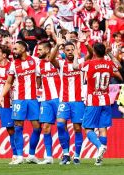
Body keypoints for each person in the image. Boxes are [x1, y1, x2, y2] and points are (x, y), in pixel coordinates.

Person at [73, 42, 122, 166]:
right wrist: (110, 53)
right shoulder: (109, 64)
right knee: (102, 128)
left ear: (94, 52)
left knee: (88, 128)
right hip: (106, 100)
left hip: (93, 100)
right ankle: (100, 159)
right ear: (104, 52)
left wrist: (75, 55)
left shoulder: (89, 64)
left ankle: (100, 146)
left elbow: (74, 66)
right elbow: (119, 66)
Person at [49, 35, 93, 164]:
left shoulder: (81, 63)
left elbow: (91, 53)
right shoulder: (61, 64)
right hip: (64, 101)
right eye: (67, 50)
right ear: (64, 52)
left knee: (78, 128)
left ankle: (77, 156)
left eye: (71, 50)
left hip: (78, 101)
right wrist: (57, 45)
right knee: (60, 124)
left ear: (75, 50)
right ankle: (66, 153)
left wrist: (85, 43)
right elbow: (51, 59)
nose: (69, 52)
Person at [0, 41, 41, 164]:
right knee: (18, 127)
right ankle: (19, 156)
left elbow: (40, 76)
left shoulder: (34, 61)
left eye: (16, 49)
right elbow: (8, 82)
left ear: (23, 49)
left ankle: (31, 155)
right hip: (19, 99)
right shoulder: (13, 64)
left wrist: (39, 87)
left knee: (37, 127)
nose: (14, 51)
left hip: (33, 99)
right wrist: (2, 96)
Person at [36, 41, 61, 164]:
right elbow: (38, 78)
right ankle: (49, 157)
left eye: (40, 50)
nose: (38, 52)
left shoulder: (57, 61)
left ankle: (66, 153)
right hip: (45, 100)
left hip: (59, 98)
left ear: (47, 50)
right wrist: (38, 87)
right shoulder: (38, 64)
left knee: (62, 127)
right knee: (45, 127)